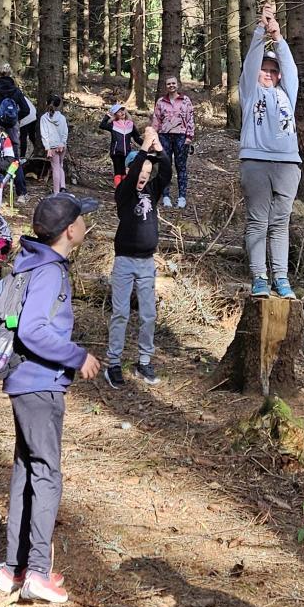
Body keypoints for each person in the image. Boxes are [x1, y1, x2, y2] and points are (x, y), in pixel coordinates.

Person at [0, 192, 101, 604]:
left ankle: (13, 567)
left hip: (26, 383)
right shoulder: (50, 272)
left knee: (27, 469)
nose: (86, 224)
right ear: (70, 230)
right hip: (40, 385)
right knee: (46, 475)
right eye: (82, 219)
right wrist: (77, 356)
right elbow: (32, 330)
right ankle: (37, 572)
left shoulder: (31, 261)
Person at [238, 1, 301, 298]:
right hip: (256, 161)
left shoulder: (287, 93)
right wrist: (260, 31)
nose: (267, 73)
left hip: (288, 164)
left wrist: (278, 37)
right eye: (264, 69)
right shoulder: (250, 93)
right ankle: (259, 277)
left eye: (272, 70)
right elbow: (250, 63)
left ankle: (281, 278)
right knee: (258, 220)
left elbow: (291, 70)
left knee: (280, 222)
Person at [105, 125, 173, 389]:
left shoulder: (152, 192)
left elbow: (166, 172)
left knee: (148, 315)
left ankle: (144, 360)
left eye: (147, 172)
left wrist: (159, 149)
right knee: (121, 313)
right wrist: (144, 145)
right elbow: (133, 172)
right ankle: (113, 363)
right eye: (140, 171)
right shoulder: (123, 193)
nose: (143, 175)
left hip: (146, 263)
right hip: (124, 261)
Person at [151, 76, 195, 209]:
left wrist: (189, 136)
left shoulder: (185, 100)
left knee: (181, 166)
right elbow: (156, 120)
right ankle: (166, 196)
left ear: (177, 85)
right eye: (169, 84)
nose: (171, 85)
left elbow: (190, 119)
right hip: (164, 136)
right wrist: (153, 137)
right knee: (165, 166)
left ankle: (182, 197)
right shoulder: (161, 101)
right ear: (166, 86)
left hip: (181, 136)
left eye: (173, 83)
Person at [98, 101, 137, 185]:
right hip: (116, 152)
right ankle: (118, 190)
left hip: (127, 153)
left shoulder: (130, 125)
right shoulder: (113, 125)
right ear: (115, 115)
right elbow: (102, 125)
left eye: (122, 110)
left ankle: (124, 190)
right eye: (119, 111)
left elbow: (137, 137)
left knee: (124, 173)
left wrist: (146, 145)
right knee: (118, 172)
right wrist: (107, 115)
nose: (122, 113)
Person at [39, 96, 70, 194]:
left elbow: (44, 134)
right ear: (59, 105)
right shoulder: (62, 118)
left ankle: (56, 192)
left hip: (52, 146)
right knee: (60, 165)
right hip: (62, 146)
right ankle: (63, 187)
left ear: (47, 104)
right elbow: (65, 132)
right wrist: (62, 143)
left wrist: (47, 148)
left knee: (55, 167)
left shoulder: (44, 118)